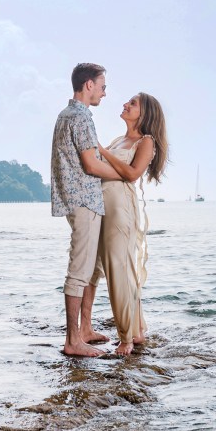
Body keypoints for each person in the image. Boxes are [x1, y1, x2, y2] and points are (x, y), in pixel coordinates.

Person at [51, 63, 123, 357]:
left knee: (92, 269)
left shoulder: (67, 115)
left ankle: (84, 329)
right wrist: (126, 174)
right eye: (103, 86)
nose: (105, 93)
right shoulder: (80, 118)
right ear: (89, 85)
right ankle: (72, 341)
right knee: (79, 272)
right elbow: (91, 165)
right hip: (83, 201)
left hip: (81, 200)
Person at [93, 92, 168, 356]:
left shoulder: (146, 141)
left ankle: (126, 337)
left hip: (120, 208)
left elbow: (132, 174)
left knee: (119, 270)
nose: (125, 104)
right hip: (104, 206)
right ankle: (135, 330)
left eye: (132, 103)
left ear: (145, 112)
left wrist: (101, 151)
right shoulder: (119, 140)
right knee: (114, 269)